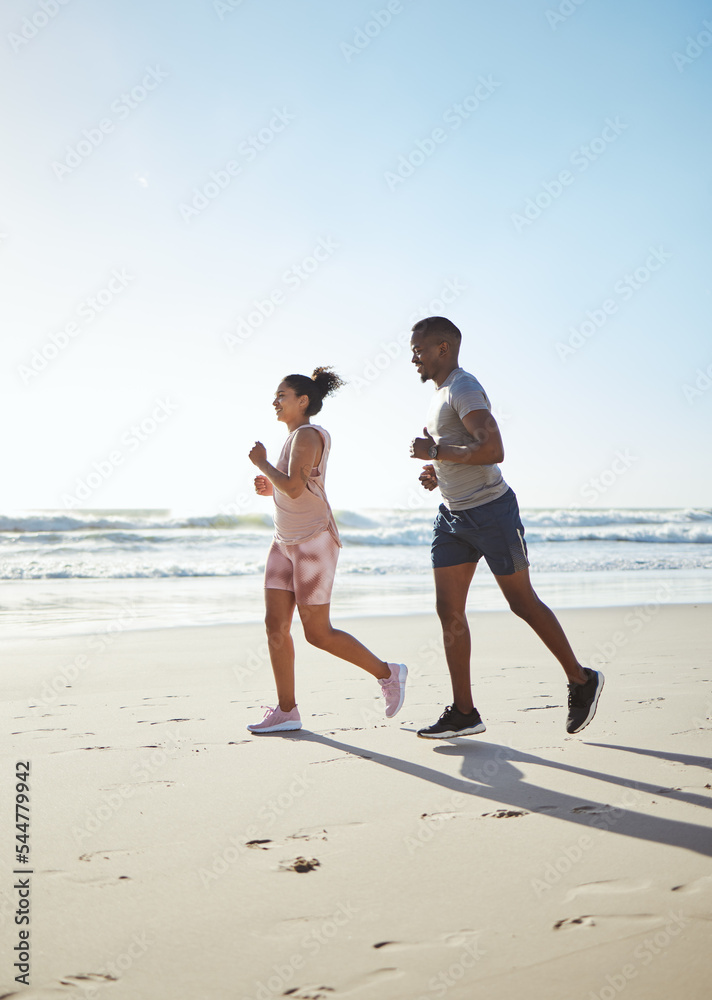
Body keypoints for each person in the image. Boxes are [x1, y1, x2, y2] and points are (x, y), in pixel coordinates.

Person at [408, 316, 603, 739]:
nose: (413, 357)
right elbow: (463, 452)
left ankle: (581, 679)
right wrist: (438, 470)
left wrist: (438, 449)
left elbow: (493, 449)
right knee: (449, 611)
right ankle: (464, 712)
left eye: (419, 349)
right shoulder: (439, 395)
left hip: (492, 513)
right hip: (453, 516)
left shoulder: (463, 387)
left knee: (522, 604)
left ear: (444, 348)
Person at [246, 366, 407, 733]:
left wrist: (262, 464)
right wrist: (270, 484)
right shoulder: (294, 438)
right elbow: (292, 487)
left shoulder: (308, 435)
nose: (275, 401)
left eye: (282, 395)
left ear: (303, 401)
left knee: (317, 633)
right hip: (283, 541)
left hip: (314, 542)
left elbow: (294, 488)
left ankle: (389, 673)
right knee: (275, 625)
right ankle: (287, 711)